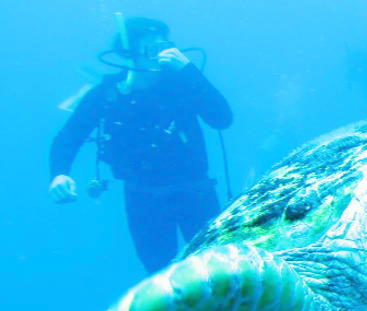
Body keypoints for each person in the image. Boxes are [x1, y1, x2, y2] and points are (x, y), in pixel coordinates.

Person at [48, 17, 232, 273]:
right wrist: (59, 174)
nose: (159, 54)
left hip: (195, 192)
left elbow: (222, 119)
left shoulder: (182, 83)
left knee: (219, 268)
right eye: (150, 48)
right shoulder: (108, 93)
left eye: (164, 46)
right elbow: (68, 137)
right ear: (129, 51)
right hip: (143, 199)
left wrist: (190, 71)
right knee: (159, 274)